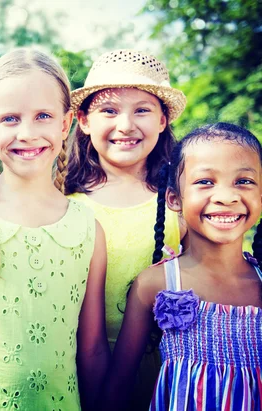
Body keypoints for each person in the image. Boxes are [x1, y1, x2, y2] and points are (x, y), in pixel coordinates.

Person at [0, 48, 109, 411]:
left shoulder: (88, 228)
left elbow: (91, 347)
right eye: (10, 118)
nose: (27, 133)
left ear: (65, 124)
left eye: (43, 116)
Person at [102, 122, 262, 410]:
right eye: (205, 182)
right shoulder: (156, 284)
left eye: (244, 181)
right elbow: (119, 386)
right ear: (174, 199)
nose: (227, 196)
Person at [65, 49, 187, 409]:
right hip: (77, 370)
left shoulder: (180, 202)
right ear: (84, 121)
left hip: (165, 371)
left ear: (163, 120)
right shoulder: (64, 201)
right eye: (109, 110)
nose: (125, 125)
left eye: (142, 110)